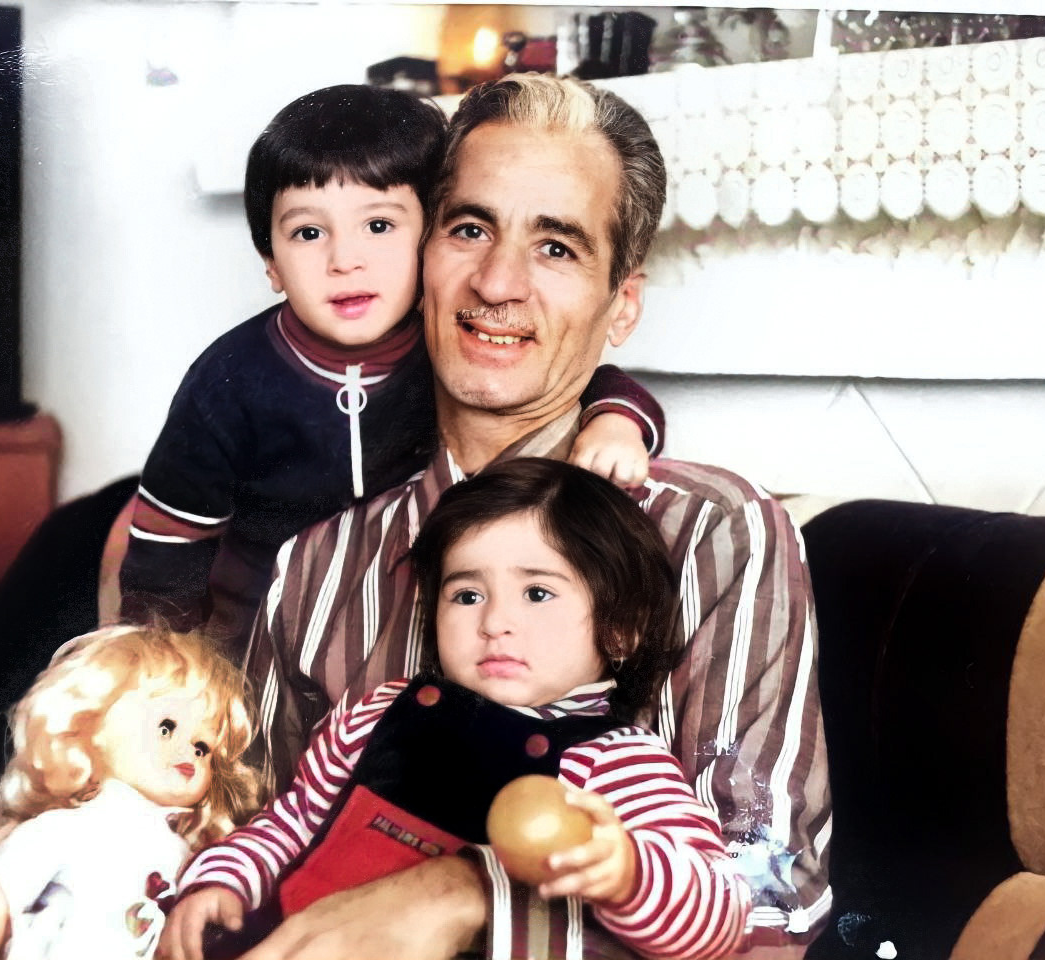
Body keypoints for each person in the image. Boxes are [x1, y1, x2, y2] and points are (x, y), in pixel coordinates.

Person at [165, 73, 831, 959]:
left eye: (556, 247)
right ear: (420, 259)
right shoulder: (318, 560)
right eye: (469, 229)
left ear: (621, 305)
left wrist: (466, 890)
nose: (497, 282)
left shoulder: (715, 534)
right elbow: (246, 823)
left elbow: (773, 900)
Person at [116, 83, 665, 651]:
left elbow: (592, 380)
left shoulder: (446, 345)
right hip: (248, 630)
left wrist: (617, 422)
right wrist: (156, 658)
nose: (345, 261)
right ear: (271, 263)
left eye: (379, 226)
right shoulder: (229, 378)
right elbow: (166, 544)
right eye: (308, 233)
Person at [163, 458, 752, 960]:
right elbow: (292, 823)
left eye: (538, 592)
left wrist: (629, 874)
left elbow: (721, 916)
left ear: (620, 629)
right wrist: (221, 883)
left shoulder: (617, 763)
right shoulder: (377, 713)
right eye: (467, 594)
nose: (495, 621)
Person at [0, 624, 258, 960]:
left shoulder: (190, 857)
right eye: (166, 728)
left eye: (202, 748)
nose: (188, 753)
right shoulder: (65, 829)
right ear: (91, 727)